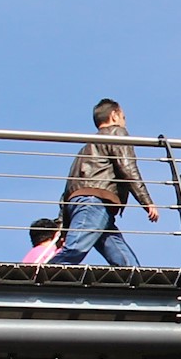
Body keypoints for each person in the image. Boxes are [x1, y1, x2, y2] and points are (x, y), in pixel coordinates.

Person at [49, 99, 161, 267]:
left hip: (91, 206)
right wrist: (147, 202)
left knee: (126, 262)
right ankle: (39, 279)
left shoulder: (85, 148)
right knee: (74, 250)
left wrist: (63, 224)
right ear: (114, 115)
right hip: (95, 202)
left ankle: (137, 284)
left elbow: (68, 190)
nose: (124, 122)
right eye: (123, 117)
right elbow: (127, 168)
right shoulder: (117, 133)